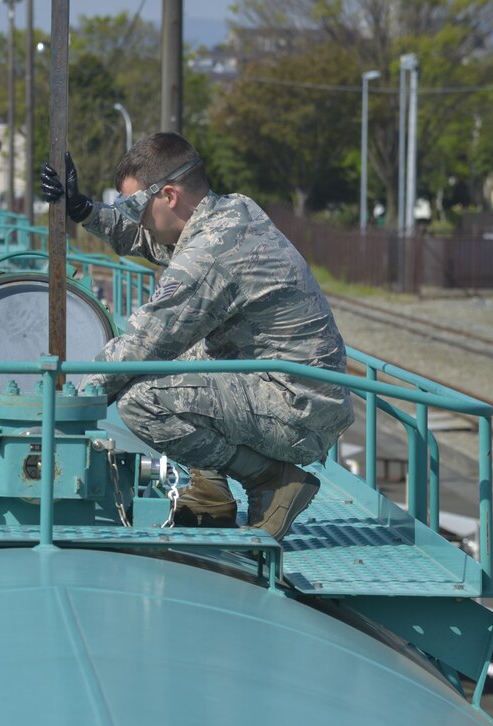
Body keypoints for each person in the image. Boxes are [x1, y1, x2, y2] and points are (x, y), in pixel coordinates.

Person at [40, 133, 354, 539]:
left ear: (169, 195)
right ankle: (211, 489)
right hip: (303, 390)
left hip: (297, 409)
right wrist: (83, 210)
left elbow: (145, 342)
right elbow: (146, 240)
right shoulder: (228, 216)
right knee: (186, 351)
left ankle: (272, 480)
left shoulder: (211, 253)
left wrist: (70, 398)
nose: (134, 217)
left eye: (135, 206)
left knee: (143, 400)